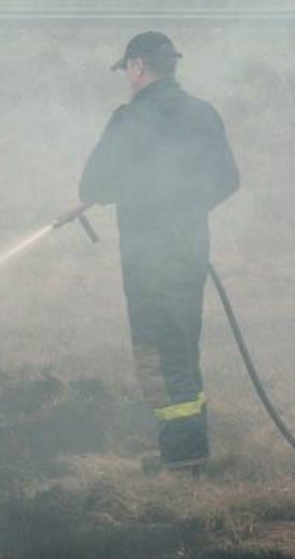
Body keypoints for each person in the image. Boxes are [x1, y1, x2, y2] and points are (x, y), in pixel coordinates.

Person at [75, 31, 240, 474]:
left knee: (160, 353)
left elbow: (94, 186)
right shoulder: (203, 114)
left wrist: (145, 199)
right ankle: (190, 451)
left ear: (139, 66)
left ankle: (182, 460)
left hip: (149, 259)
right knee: (183, 344)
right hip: (190, 250)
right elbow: (227, 179)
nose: (127, 79)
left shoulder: (130, 120)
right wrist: (185, 209)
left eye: (127, 70)